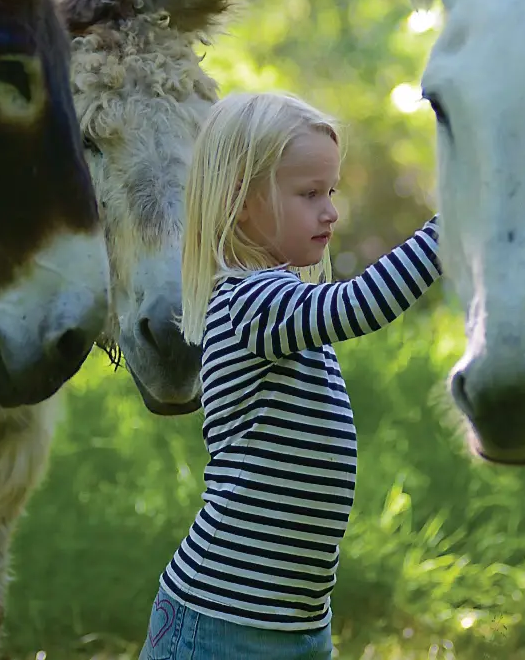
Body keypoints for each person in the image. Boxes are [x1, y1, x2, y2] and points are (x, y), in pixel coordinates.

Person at [141, 90, 441, 659]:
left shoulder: (280, 303)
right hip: (222, 621)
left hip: (293, 619)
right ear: (240, 200)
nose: (330, 211)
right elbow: (356, 306)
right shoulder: (250, 301)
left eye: (330, 191)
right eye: (309, 194)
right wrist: (447, 235)